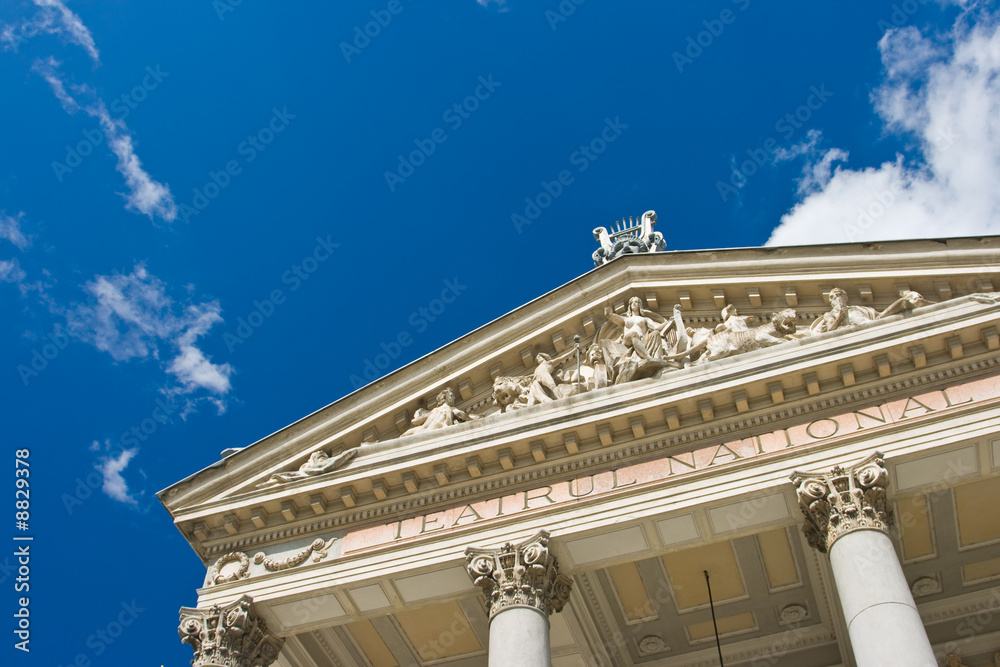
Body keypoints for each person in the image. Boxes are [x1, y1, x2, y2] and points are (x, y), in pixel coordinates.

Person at [256, 448, 358, 488]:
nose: (322, 458)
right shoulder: (309, 470)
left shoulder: (329, 463)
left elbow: (339, 459)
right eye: (319, 456)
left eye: (323, 456)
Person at [403, 388, 479, 435]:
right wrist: (471, 420)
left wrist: (417, 416)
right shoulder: (449, 408)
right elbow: (460, 414)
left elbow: (416, 421)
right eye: (451, 396)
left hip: (424, 431)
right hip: (437, 430)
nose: (453, 398)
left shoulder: (433, 411)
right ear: (444, 398)